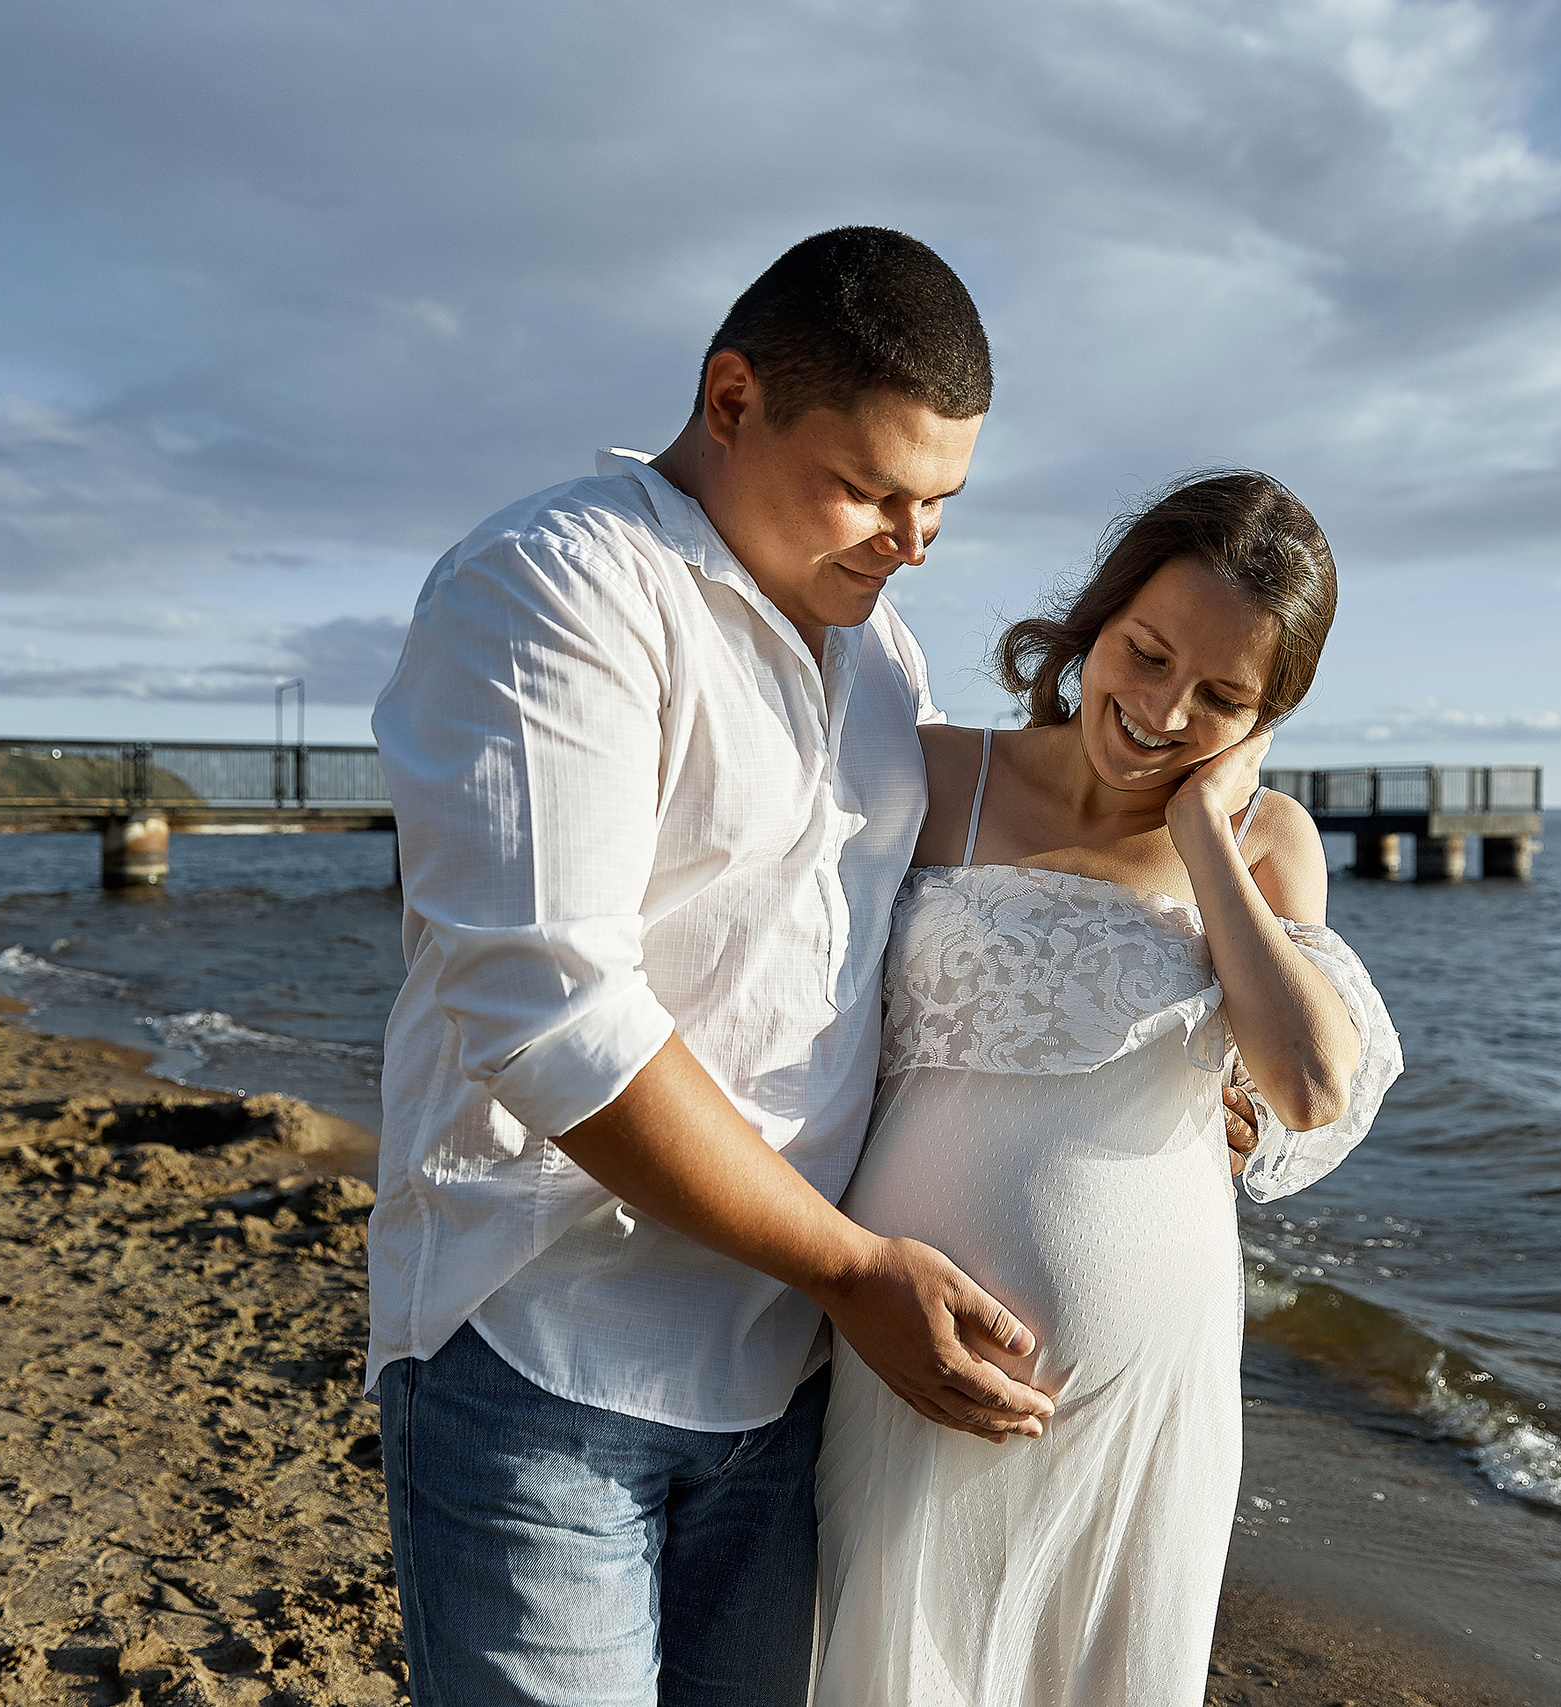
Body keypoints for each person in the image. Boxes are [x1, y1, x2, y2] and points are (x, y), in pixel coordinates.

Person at [366, 228, 1259, 1707]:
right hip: (546, 1346)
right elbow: (550, 1015)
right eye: (875, 487)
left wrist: (1148, 1069)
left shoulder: (879, 658)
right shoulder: (556, 588)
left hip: (788, 1384)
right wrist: (854, 1268)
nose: (910, 540)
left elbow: (905, 962)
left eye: (943, 504)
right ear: (732, 401)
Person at [812, 471, 1406, 1707]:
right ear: (1097, 618)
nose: (1161, 708)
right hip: (907, 1345)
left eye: (1221, 697)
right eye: (1145, 653)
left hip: (1146, 1393)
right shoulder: (937, 775)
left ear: (1265, 719)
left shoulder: (1264, 844)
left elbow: (1304, 1085)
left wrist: (1204, 830)